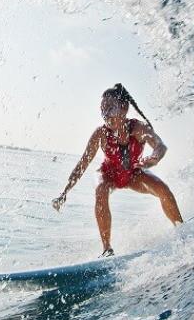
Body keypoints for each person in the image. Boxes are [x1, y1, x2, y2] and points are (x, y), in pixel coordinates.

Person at [52, 83, 184, 257]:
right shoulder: (100, 134)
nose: (105, 114)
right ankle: (107, 249)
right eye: (102, 110)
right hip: (108, 173)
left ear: (124, 108)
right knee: (101, 189)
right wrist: (64, 192)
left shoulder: (138, 129)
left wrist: (153, 159)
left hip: (133, 174)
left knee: (162, 189)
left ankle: (183, 231)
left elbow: (160, 146)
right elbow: (83, 164)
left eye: (109, 108)